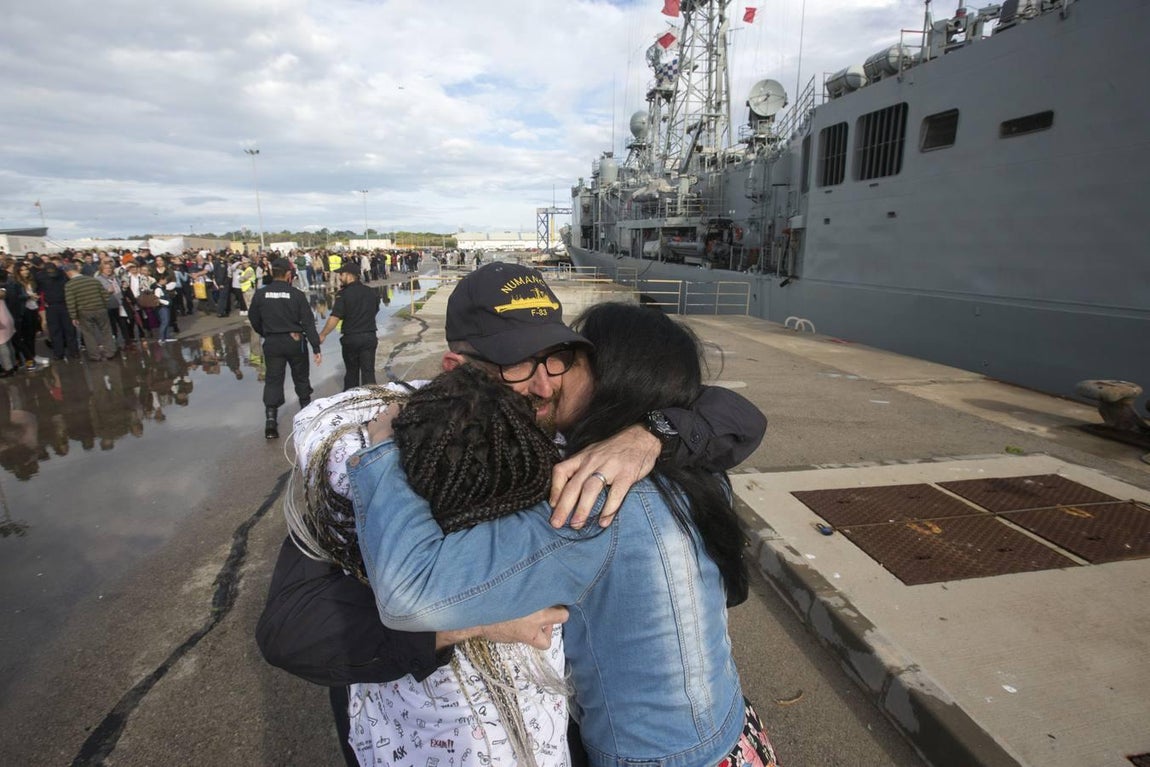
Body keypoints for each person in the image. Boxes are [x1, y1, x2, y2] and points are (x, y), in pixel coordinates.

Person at [256, 262, 768, 765]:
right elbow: (294, 627)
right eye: (516, 365)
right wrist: (468, 626)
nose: (545, 386)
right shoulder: (421, 454)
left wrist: (651, 433)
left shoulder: (594, 479)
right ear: (456, 369)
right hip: (722, 730)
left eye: (559, 358)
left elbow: (727, 411)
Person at [247, 258, 321, 439]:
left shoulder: (261, 294)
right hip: (295, 341)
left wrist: (266, 333)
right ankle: (306, 416)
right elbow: (308, 322)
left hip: (272, 342)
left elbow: (254, 318)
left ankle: (270, 422)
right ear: (288, 274)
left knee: (273, 380)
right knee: (301, 377)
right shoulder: (296, 294)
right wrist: (316, 347)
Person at [317, 263, 380, 390]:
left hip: (352, 338)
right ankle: (372, 398)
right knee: (369, 373)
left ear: (349, 275)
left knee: (352, 373)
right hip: (369, 336)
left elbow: (335, 317)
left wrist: (323, 334)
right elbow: (375, 310)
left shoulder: (343, 294)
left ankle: (351, 398)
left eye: (341, 274)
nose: (340, 277)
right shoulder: (372, 292)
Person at [62, 261, 116, 360]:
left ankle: (95, 355)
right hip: (100, 309)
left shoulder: (70, 285)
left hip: (84, 311)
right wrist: (103, 305)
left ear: (68, 273)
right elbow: (105, 295)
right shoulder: (93, 280)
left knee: (88, 334)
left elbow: (70, 302)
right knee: (106, 331)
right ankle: (110, 352)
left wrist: (73, 316)